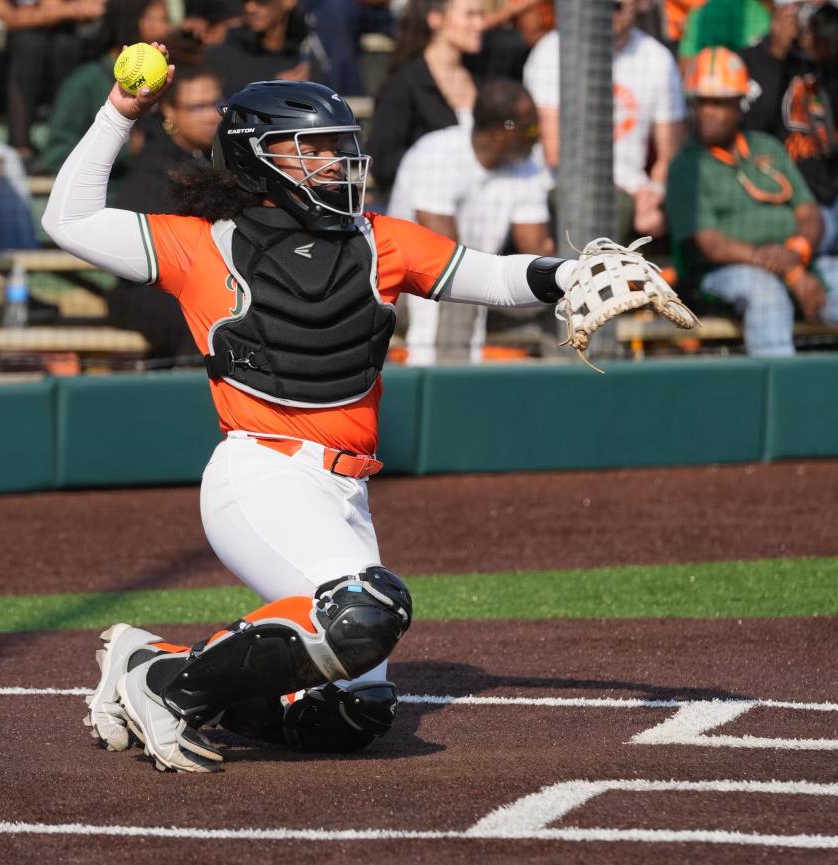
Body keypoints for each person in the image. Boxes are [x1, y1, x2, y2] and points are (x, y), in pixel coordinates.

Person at [42, 57, 596, 771]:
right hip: (261, 473)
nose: (334, 161)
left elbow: (489, 274)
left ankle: (148, 660)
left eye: (339, 146)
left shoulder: (377, 237)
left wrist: (571, 273)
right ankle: (164, 688)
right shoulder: (199, 242)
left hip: (346, 490)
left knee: (353, 713)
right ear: (256, 156)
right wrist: (121, 110)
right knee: (364, 609)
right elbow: (69, 218)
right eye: (312, 148)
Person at [666, 45, 838, 356]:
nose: (707, 111)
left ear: (739, 105)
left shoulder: (767, 147)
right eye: (700, 101)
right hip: (723, 273)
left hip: (797, 258)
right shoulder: (685, 166)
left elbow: (809, 213)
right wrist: (788, 269)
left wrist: (797, 252)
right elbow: (711, 244)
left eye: (718, 103)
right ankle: (783, 395)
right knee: (767, 296)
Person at [389, 79, 553, 364]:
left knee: (558, 289)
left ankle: (568, 385)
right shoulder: (438, 153)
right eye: (531, 129)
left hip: (485, 281)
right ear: (502, 131)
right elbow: (439, 256)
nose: (537, 138)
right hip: (404, 288)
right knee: (456, 290)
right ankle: (450, 396)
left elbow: (536, 247)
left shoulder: (526, 165)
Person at [523, 0, 685, 241]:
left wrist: (654, 192)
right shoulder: (552, 51)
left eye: (616, 6)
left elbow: (670, 152)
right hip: (560, 182)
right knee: (614, 207)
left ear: (637, 5)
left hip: (635, 190)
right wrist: (634, 188)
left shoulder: (657, 59)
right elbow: (556, 154)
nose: (608, 14)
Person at [108, 66, 224, 362]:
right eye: (198, 107)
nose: (212, 115)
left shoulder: (218, 156)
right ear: (170, 112)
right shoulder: (158, 165)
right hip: (146, 293)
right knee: (209, 323)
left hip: (200, 282)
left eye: (216, 103)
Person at [743, 1, 838, 252]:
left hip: (830, 190)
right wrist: (776, 56)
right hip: (789, 200)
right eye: (798, 7)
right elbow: (753, 131)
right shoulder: (752, 59)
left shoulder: (824, 59)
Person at [41, 0, 173, 176]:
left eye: (166, 20)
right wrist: (125, 150)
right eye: (155, 19)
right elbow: (55, 156)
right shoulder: (84, 82)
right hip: (109, 194)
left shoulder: (168, 76)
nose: (166, 29)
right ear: (130, 22)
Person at [367, 0, 485, 194]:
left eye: (481, 15)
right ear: (436, 18)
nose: (480, 24)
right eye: (470, 15)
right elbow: (383, 163)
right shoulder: (403, 84)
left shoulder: (481, 79)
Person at [0, 0, 106, 168]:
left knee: (66, 43)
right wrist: (69, 10)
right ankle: (20, 147)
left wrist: (53, 11)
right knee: (29, 43)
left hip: (53, 66)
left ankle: (61, 147)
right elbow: (9, 17)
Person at [205, 0, 313, 97]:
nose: (249, 8)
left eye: (262, 1)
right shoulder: (220, 55)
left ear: (289, 2)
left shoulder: (306, 57)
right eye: (245, 1)